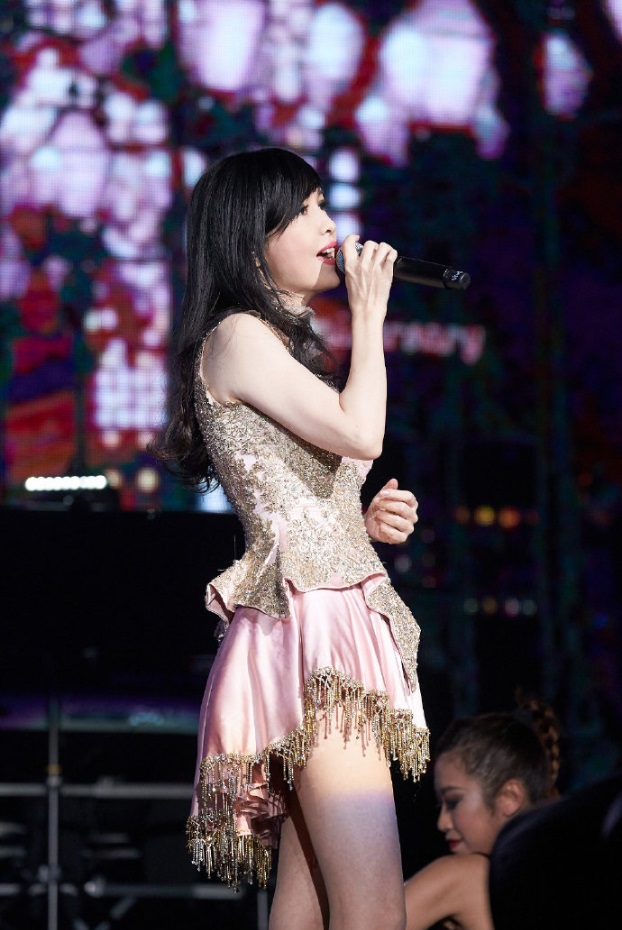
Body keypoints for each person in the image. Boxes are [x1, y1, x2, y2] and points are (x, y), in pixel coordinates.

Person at [152, 147, 429, 930]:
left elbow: (305, 493)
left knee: (306, 914)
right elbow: (361, 432)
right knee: (374, 910)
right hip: (315, 634)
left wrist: (357, 525)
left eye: (323, 205)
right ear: (251, 237)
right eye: (305, 211)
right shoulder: (238, 334)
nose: (329, 226)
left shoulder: (269, 343)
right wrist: (370, 314)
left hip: (323, 614)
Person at [404, 698, 561, 930]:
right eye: (440, 806)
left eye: (454, 801)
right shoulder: (560, 880)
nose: (442, 823)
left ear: (509, 797)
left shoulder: (466, 875)